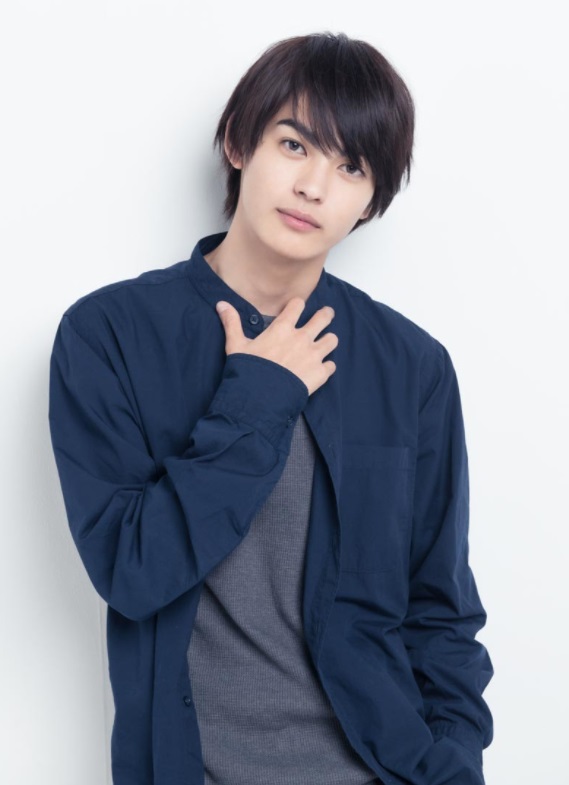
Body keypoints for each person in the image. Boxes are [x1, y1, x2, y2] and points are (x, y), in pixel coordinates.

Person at [48, 31, 494, 785]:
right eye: (294, 144)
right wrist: (257, 396)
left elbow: (439, 609)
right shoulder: (110, 335)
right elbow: (132, 571)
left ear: (371, 199)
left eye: (351, 166)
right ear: (237, 142)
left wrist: (453, 762)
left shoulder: (411, 366)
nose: (315, 186)